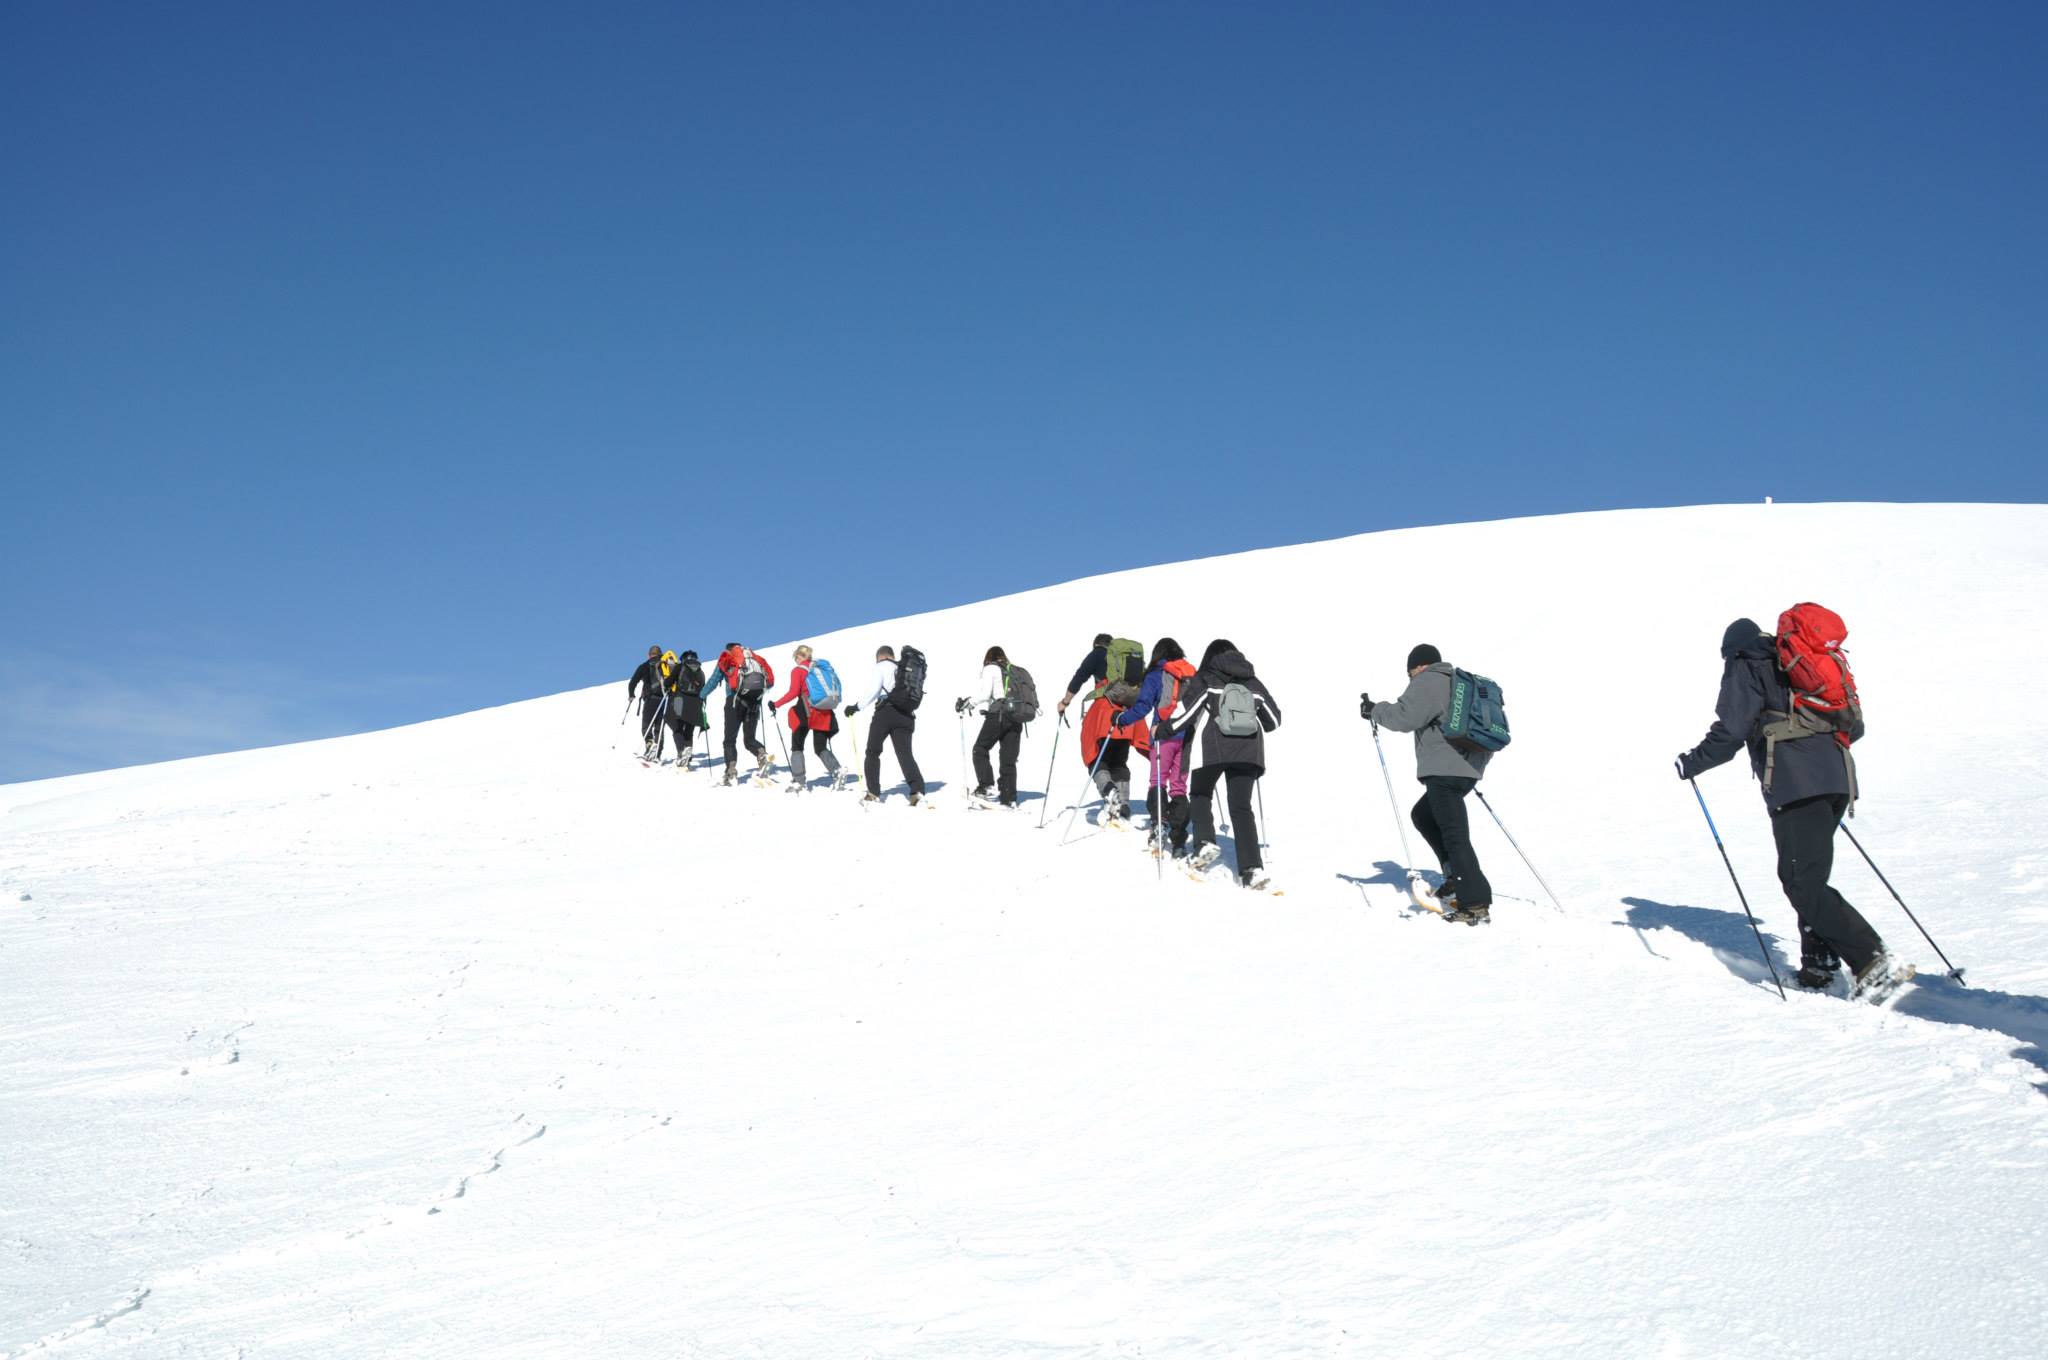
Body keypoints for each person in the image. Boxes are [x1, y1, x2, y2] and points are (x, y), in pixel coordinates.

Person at [1676, 617, 1900, 998]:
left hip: (1797, 786)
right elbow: (1853, 728)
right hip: (1838, 780)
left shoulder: (1746, 662)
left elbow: (1731, 729)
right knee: (1808, 878)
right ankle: (1819, 968)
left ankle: (1871, 960)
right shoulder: (1792, 664)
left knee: (1801, 882)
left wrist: (1692, 762)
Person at [1363, 644, 1495, 924]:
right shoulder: (1458, 681)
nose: (1410, 678)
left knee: (1454, 834)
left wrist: (1376, 710)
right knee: (1423, 815)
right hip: (1467, 768)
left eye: (1410, 672)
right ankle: (1454, 877)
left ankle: (1474, 903)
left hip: (1444, 771)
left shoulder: (1428, 681)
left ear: (1418, 666)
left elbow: (1404, 718)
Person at [1165, 638, 1282, 888]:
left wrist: (1165, 729)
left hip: (1212, 747)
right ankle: (1252, 870)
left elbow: (1190, 711)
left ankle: (1205, 842)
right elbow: (1274, 720)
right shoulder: (1253, 681)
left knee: (1200, 793)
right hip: (1249, 751)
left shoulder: (1206, 677)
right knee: (1241, 807)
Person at [1113, 638, 1199, 854]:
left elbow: (1142, 707)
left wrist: (1122, 719)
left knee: (1157, 781)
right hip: (1186, 736)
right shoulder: (1190, 674)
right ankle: (1179, 838)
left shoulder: (1155, 675)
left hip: (1161, 736)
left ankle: (1159, 825)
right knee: (1179, 787)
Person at [845, 645, 926, 805]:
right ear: (892, 655)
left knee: (872, 752)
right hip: (906, 714)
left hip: (885, 713)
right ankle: (917, 790)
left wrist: (856, 707)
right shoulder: (903, 668)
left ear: (879, 657)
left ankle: (873, 793)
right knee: (905, 754)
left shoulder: (881, 667)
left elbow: (874, 690)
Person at [768, 644, 845, 792]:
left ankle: (799, 782)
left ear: (798, 656)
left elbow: (793, 692)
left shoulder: (798, 670)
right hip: (824, 711)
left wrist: (776, 704)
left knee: (797, 746)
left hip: (806, 712)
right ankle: (837, 770)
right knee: (820, 747)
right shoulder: (820, 669)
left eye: (796, 657)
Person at [700, 642, 775, 785]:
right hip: (754, 702)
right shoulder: (755, 659)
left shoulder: (727, 658)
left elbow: (713, 681)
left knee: (729, 740)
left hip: (734, 702)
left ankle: (731, 773)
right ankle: (762, 755)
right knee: (749, 739)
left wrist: (701, 696)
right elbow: (769, 682)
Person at [960, 645, 1024, 806]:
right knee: (1008, 759)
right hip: (1017, 717)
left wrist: (968, 704)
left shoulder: (991, 668)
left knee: (980, 749)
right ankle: (1009, 798)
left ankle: (986, 787)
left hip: (999, 715)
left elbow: (985, 694)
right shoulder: (1013, 671)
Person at [665, 649, 709, 769]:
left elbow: (669, 681)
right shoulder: (700, 671)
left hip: (680, 699)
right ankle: (688, 751)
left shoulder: (680, 667)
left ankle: (681, 751)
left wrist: (666, 685)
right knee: (689, 729)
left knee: (676, 725)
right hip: (695, 702)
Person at [626, 645, 670, 761]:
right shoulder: (666, 664)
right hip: (664, 699)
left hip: (650, 699)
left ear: (649, 655)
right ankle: (658, 753)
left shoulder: (644, 666)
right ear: (661, 653)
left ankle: (649, 744)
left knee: (647, 725)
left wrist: (631, 695)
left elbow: (632, 682)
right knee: (659, 728)